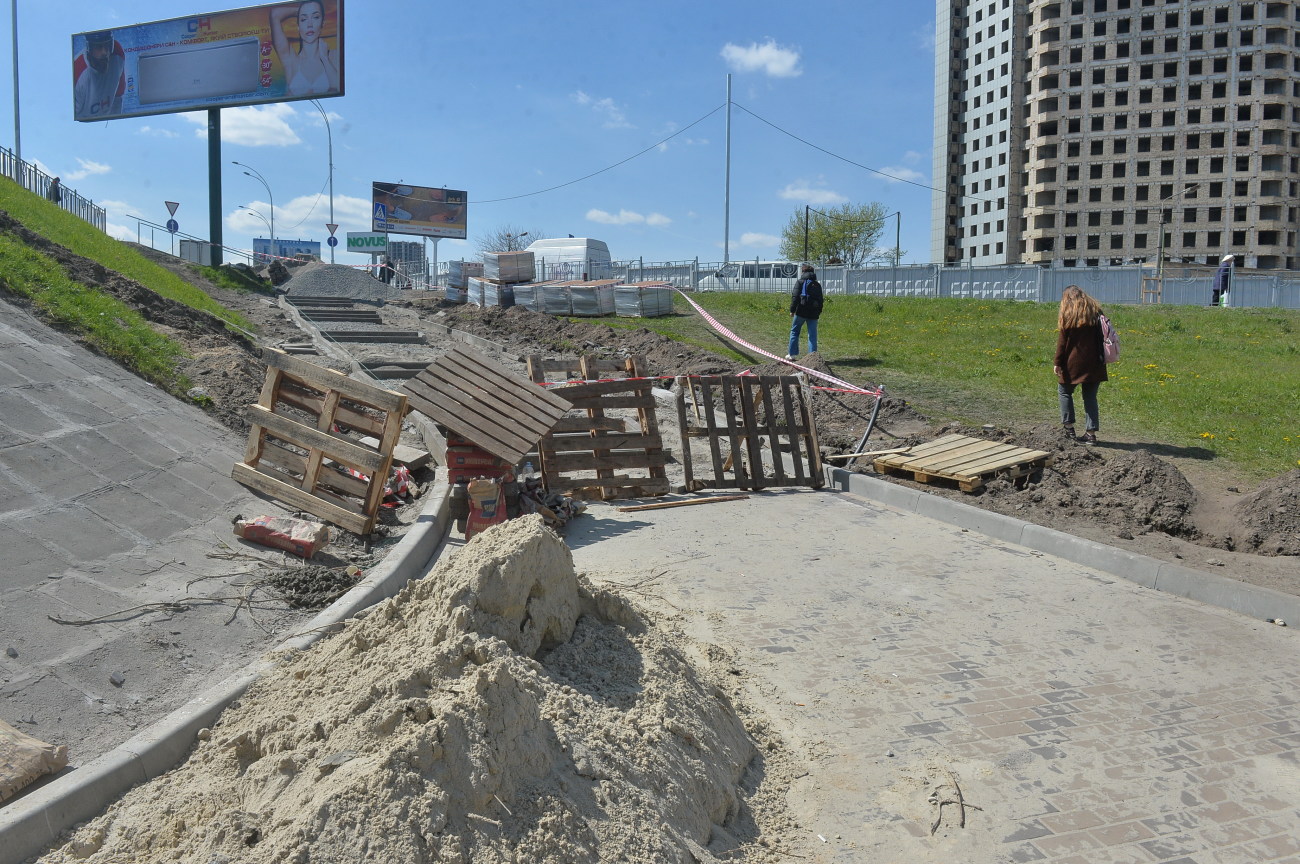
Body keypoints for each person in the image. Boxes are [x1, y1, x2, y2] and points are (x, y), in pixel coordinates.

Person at [1053, 285, 1108, 445]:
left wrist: (1057, 362)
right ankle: (1090, 434)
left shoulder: (1067, 314)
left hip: (1073, 363)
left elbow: (1062, 343)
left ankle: (1069, 428)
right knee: (1090, 397)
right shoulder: (1096, 313)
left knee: (1064, 391)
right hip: (1095, 362)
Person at [270, 2, 340, 97]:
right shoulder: (290, 60)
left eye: (315, 17)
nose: (309, 24)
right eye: (303, 19)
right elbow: (275, 14)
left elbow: (337, 86)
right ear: (298, 26)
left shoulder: (333, 55)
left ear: (323, 22)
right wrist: (300, 11)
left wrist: (325, 59)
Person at [72, 30, 125, 120]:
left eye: (107, 46)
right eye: (99, 47)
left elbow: (118, 96)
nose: (104, 52)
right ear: (90, 49)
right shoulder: (77, 71)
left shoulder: (117, 54)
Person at [786, 263, 823, 360]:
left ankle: (792, 354)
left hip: (801, 311)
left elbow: (795, 297)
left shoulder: (800, 282)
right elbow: (821, 300)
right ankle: (813, 358)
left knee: (795, 331)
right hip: (814, 313)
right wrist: (818, 312)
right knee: (812, 335)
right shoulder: (817, 284)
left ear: (803, 272)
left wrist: (792, 310)